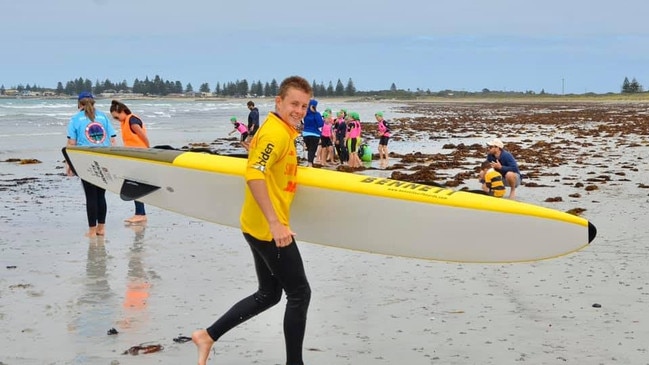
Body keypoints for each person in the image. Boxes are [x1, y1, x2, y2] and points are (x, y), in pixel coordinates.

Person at [192, 76, 313, 365]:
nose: (299, 110)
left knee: (269, 294)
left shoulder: (277, 129)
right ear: (279, 102)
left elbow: (262, 165)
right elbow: (254, 174)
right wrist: (275, 223)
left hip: (254, 225)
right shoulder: (276, 134)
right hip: (268, 228)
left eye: (305, 106)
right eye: (294, 103)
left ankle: (207, 336)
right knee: (299, 294)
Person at [65, 91, 117, 237]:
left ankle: (92, 231)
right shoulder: (103, 117)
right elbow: (112, 140)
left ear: (79, 103)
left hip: (86, 159)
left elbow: (71, 143)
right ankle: (101, 228)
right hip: (104, 158)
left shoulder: (75, 119)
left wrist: (69, 163)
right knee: (101, 195)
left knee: (91, 196)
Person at [110, 100, 150, 223]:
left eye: (116, 117)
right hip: (134, 156)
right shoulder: (126, 121)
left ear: (122, 111)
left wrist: (148, 149)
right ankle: (140, 213)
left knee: (135, 185)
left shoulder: (132, 120)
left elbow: (142, 135)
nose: (117, 120)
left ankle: (140, 214)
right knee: (134, 184)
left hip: (140, 156)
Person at [301, 99, 323, 166]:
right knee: (312, 150)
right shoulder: (317, 114)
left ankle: (309, 162)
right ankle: (310, 164)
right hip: (314, 134)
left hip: (305, 133)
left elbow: (302, 121)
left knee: (309, 149)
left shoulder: (305, 113)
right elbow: (320, 124)